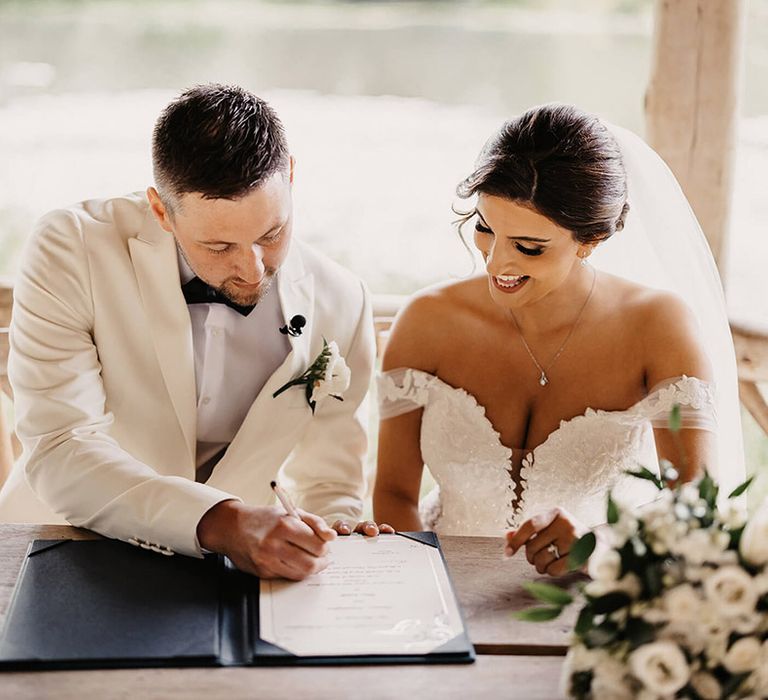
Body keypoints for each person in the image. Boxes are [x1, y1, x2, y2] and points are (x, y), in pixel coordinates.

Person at [0, 83, 382, 580]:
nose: (252, 268)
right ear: (161, 210)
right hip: (59, 550)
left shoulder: (343, 299)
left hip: (238, 576)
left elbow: (330, 484)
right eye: (219, 246)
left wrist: (335, 532)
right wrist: (221, 521)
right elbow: (61, 445)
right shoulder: (71, 247)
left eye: (272, 234)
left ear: (290, 174)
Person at [374, 103, 744, 577]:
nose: (495, 264)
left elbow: (694, 507)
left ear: (590, 240)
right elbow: (395, 495)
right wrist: (430, 591)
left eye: (528, 247)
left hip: (595, 598)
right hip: (441, 589)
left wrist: (604, 546)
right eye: (486, 228)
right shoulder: (426, 321)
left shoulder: (658, 327)